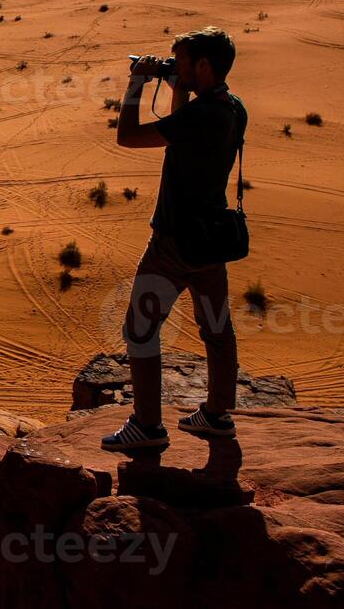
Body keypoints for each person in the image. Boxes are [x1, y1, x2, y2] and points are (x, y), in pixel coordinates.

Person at [101, 26, 249, 452]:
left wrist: (135, 85)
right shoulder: (233, 108)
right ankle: (217, 415)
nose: (176, 68)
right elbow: (182, 128)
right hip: (211, 242)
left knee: (140, 330)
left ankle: (147, 427)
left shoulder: (198, 116)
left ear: (203, 65)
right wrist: (177, 86)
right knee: (217, 329)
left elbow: (127, 137)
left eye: (183, 62)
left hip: (172, 245)